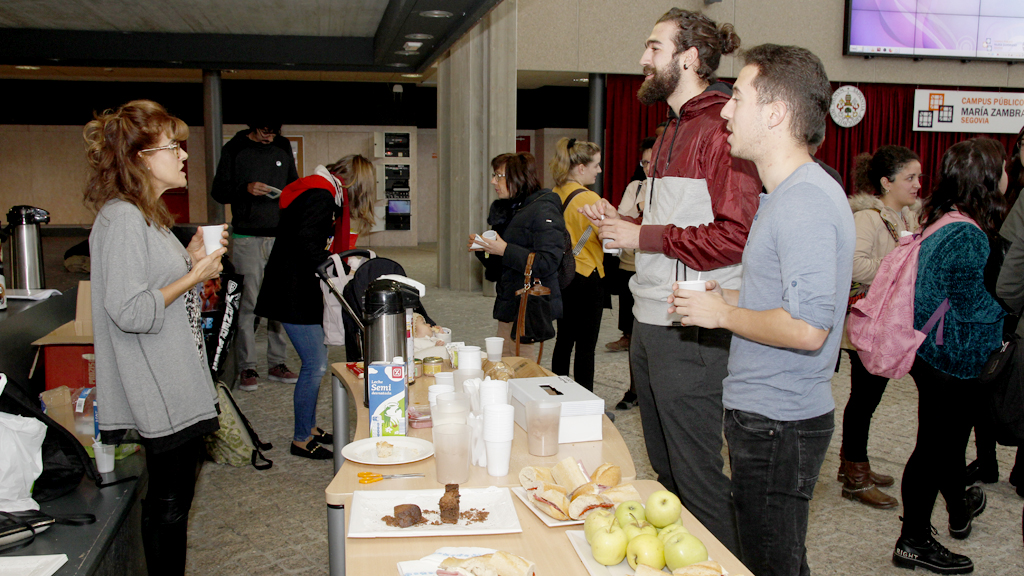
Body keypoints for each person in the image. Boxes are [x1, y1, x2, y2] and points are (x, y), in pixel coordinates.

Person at [580, 8, 760, 555]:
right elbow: (676, 227)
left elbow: (735, 237)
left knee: (698, 480)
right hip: (654, 320)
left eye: (653, 48)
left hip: (693, 327)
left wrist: (644, 237)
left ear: (688, 59)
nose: (642, 59)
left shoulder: (720, 128)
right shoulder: (674, 128)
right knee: (666, 476)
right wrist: (626, 228)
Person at [668, 44, 852, 575]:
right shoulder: (784, 195)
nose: (725, 109)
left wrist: (723, 316)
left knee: (772, 562)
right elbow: (786, 306)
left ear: (774, 114)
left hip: (781, 423)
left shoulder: (805, 202)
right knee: (778, 555)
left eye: (739, 98)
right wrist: (729, 302)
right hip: (768, 416)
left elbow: (809, 329)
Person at [84, 100, 227, 575]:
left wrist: (188, 259)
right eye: (173, 147)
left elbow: (148, 284)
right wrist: (196, 275)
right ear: (142, 158)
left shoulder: (146, 214)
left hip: (172, 376)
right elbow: (129, 310)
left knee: (174, 502)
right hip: (158, 384)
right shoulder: (122, 218)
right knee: (168, 505)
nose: (184, 156)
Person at [889, 138, 1007, 574]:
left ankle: (956, 507)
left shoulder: (944, 218)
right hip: (949, 358)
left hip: (933, 353)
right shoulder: (967, 234)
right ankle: (913, 540)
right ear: (988, 178)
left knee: (941, 446)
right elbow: (971, 304)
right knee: (933, 451)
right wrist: (1006, 312)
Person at [254, 155, 376, 459]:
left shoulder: (318, 190)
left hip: (294, 286)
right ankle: (299, 439)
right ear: (352, 182)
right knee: (315, 364)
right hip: (293, 290)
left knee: (315, 361)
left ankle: (308, 428)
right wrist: (338, 267)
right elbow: (307, 245)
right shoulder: (322, 196)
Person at [839, 145, 922, 509]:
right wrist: (895, 271)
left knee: (869, 398)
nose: (918, 184)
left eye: (918, 177)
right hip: (866, 323)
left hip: (886, 322)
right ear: (886, 182)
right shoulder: (868, 218)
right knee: (864, 398)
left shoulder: (906, 218)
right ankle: (855, 475)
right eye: (910, 178)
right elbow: (854, 266)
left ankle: (853, 463)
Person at [212, 118, 300, 392]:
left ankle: (277, 362)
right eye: (264, 132)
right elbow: (219, 191)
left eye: (274, 132)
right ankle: (247, 366)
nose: (269, 138)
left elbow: (294, 185)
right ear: (253, 127)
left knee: (279, 304)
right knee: (249, 304)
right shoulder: (235, 148)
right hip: (247, 237)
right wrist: (245, 189)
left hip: (279, 236)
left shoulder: (282, 147)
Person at [469, 152, 565, 359]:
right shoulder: (509, 209)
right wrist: (485, 250)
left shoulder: (543, 209)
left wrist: (504, 249)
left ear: (519, 178)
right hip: (510, 300)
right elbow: (498, 268)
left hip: (528, 303)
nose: (493, 181)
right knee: (503, 360)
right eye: (494, 175)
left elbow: (548, 262)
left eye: (499, 175)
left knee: (522, 368)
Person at [972, 124, 1024, 492]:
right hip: (999, 302)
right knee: (989, 382)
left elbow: (1013, 261)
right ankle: (987, 460)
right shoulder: (1008, 188)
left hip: (1007, 303)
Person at [550, 137, 605, 391]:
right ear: (581, 168)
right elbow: (609, 235)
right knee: (586, 347)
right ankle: (586, 403)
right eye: (596, 165)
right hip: (587, 274)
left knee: (564, 341)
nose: (599, 170)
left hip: (563, 275)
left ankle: (558, 392)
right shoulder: (589, 198)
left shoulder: (555, 192)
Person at [609, 137, 656, 411]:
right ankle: (634, 389)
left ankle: (649, 391)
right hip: (632, 266)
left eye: (653, 161)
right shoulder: (636, 187)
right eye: (645, 162)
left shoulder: (675, 190)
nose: (649, 167)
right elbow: (622, 216)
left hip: (661, 274)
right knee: (634, 328)